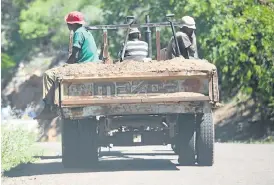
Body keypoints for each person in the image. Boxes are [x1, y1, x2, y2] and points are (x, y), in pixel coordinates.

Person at [35, 11, 99, 120]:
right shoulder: (86, 32)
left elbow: (74, 54)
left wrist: (66, 66)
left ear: (73, 24)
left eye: (68, 23)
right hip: (93, 63)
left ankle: (49, 107)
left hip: (84, 65)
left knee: (48, 74)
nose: (67, 25)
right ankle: (52, 104)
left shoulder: (78, 32)